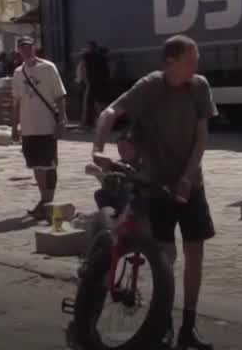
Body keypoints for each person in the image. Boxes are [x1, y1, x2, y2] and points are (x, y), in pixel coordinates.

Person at [91, 35, 215, 350]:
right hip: (156, 184)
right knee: (165, 258)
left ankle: (190, 324)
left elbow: (201, 138)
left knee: (195, 254)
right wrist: (97, 149)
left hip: (191, 183)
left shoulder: (199, 86)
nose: (195, 65)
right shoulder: (150, 86)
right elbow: (110, 113)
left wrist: (188, 179)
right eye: (191, 59)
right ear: (170, 63)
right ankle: (165, 324)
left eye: (195, 59)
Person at [10, 36, 67, 221]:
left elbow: (60, 95)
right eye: (22, 48)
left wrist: (62, 119)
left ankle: (48, 202)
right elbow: (16, 101)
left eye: (28, 47)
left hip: (46, 124)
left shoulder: (48, 68)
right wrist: (14, 126)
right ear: (19, 51)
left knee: (49, 164)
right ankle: (44, 200)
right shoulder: (18, 73)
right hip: (28, 127)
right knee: (35, 165)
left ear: (35, 48)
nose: (25, 50)